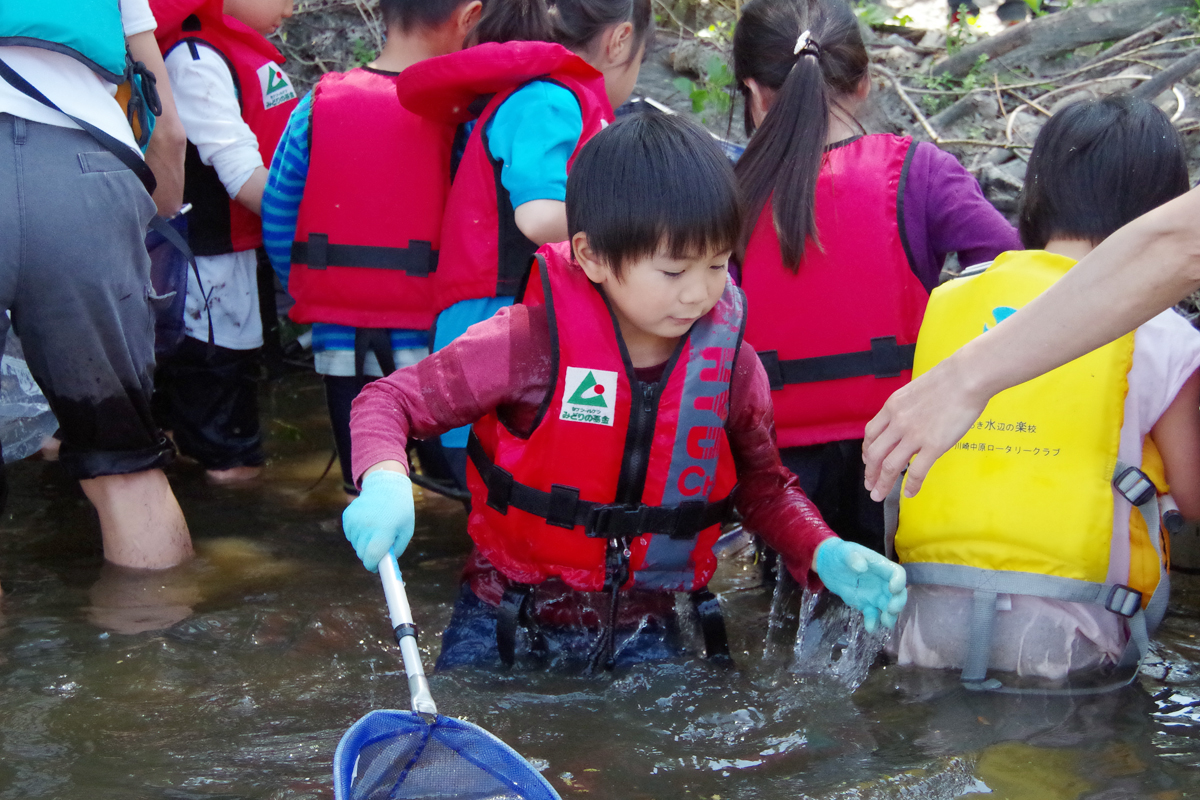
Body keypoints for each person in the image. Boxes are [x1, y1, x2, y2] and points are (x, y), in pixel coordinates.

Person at [340, 113, 907, 671]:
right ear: (591, 256)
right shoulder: (526, 344)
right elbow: (387, 401)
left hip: (646, 623)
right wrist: (386, 479)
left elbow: (764, 491)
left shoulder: (731, 368)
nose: (700, 294)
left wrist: (823, 551)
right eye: (673, 271)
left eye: (716, 265)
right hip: (504, 613)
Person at [890, 96, 1200, 685]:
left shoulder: (955, 296)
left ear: (1037, 194)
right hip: (1072, 635)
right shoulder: (1164, 332)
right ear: (1163, 209)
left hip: (924, 622)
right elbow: (1194, 493)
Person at [731, 0, 1019, 553]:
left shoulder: (729, 193)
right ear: (864, 83)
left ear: (754, 91)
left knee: (801, 609)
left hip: (779, 473)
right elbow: (1013, 267)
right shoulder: (923, 171)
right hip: (902, 446)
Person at [395, 0, 651, 486]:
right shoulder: (546, 100)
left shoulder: (541, 94)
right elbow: (537, 218)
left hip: (508, 326)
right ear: (620, 41)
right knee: (510, 509)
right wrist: (642, 216)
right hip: (498, 329)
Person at [0, 0, 194, 593]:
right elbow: (168, 130)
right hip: (81, 165)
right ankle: (150, 669)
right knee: (125, 462)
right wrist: (148, 217)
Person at [261, 0, 482, 496]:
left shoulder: (316, 106)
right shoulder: (461, 116)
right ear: (469, 17)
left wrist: (315, 292)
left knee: (366, 486)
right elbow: (479, 230)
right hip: (432, 341)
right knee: (455, 489)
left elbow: (279, 214)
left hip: (338, 340)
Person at [150, 0, 299, 483]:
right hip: (204, 273)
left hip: (235, 261)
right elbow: (240, 176)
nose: (292, 8)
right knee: (231, 459)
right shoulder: (194, 59)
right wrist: (335, 224)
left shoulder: (227, 51)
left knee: (199, 423)